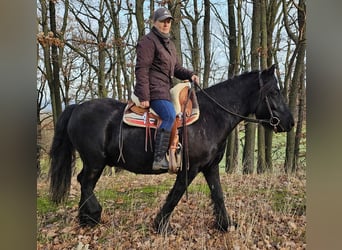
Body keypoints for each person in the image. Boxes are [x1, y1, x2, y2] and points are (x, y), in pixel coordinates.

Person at [134, 7, 199, 171]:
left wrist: (190, 75)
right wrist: (144, 95)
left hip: (164, 89)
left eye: (168, 21)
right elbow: (142, 69)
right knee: (169, 115)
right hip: (154, 90)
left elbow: (176, 68)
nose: (166, 24)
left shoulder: (169, 44)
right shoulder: (148, 41)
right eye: (162, 21)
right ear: (154, 22)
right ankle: (159, 158)